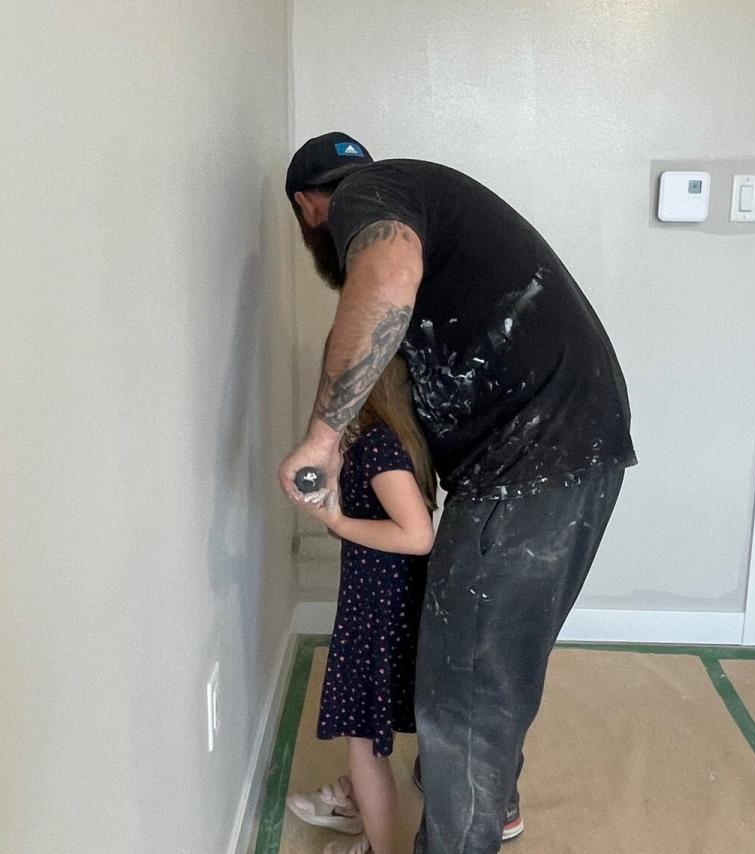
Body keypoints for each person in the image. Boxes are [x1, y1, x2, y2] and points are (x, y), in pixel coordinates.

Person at [279, 132, 637, 854]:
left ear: (308, 206)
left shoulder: (367, 200)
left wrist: (323, 436)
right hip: (570, 447)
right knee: (490, 664)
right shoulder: (421, 200)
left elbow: (383, 280)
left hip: (534, 460)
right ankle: (490, 800)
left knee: (463, 695)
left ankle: (463, 826)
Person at [287, 358, 437, 854]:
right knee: (370, 731)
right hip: (387, 603)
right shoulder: (402, 440)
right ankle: (361, 808)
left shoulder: (376, 445)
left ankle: (381, 847)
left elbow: (417, 536)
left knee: (363, 740)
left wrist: (339, 521)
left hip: (375, 611)